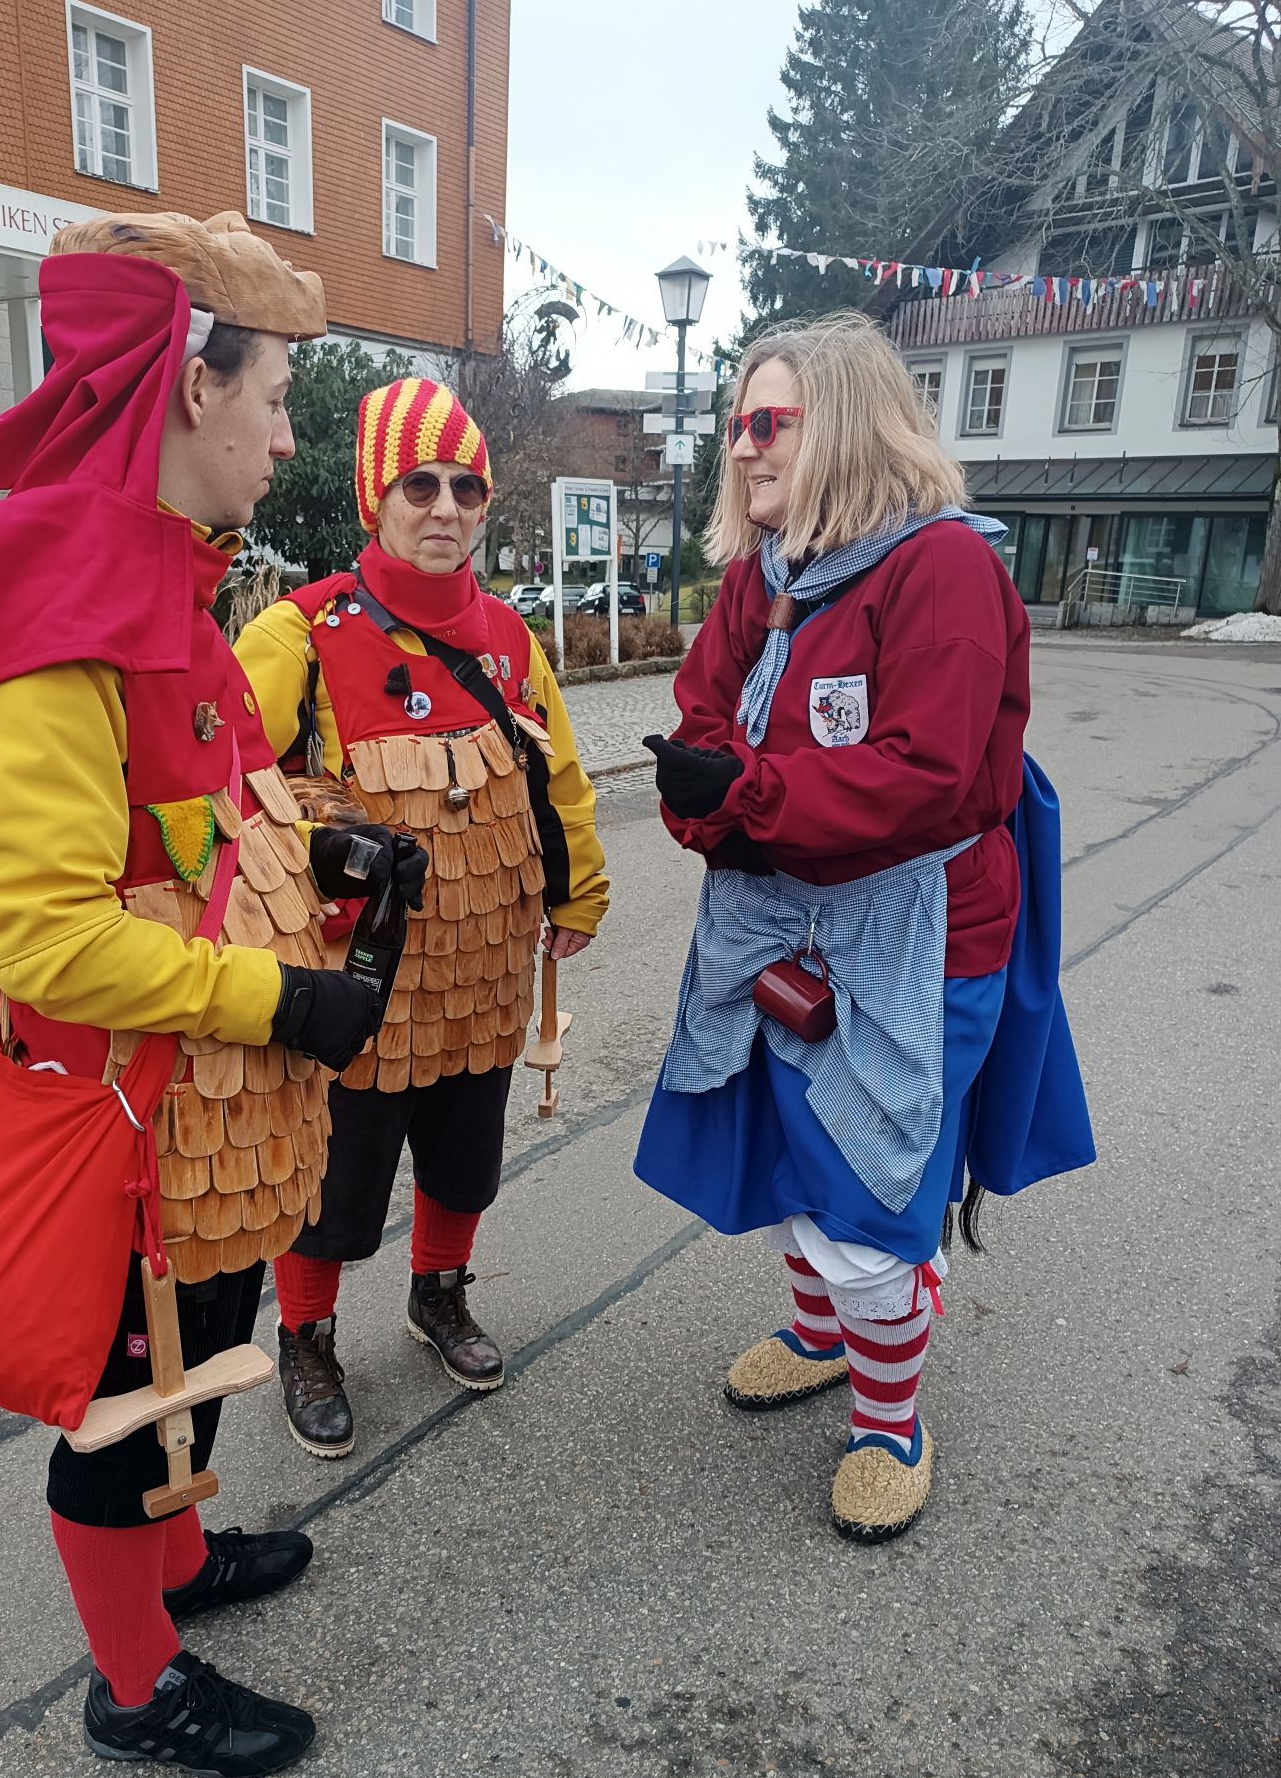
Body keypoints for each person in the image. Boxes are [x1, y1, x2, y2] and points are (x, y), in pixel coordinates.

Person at [0, 210, 404, 1778]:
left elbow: (204, 822)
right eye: (277, 400)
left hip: (201, 1116)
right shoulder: (56, 621)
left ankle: (178, 1561)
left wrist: (324, 844)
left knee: (208, 1336)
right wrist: (281, 1003)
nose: (288, 437)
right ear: (194, 386)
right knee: (123, 1401)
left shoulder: (171, 590)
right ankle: (135, 1683)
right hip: (119, 1123)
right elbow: (47, 940)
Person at [636, 313, 1094, 1542]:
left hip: (915, 935)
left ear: (843, 424)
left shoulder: (941, 568)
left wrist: (746, 795)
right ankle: (820, 1333)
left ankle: (891, 1423)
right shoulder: (765, 571)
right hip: (777, 917)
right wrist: (706, 795)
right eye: (737, 424)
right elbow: (705, 711)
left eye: (768, 422)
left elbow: (927, 775)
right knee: (795, 1152)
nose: (743, 446)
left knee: (872, 1185)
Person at [233, 378, 609, 1458]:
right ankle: (307, 1336)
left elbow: (558, 782)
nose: (445, 507)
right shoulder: (299, 634)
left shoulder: (511, 641)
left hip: (484, 968)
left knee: (463, 1154)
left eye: (465, 487)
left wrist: (578, 890)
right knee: (333, 1177)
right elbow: (228, 790)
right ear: (375, 497)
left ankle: (438, 1292)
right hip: (356, 980)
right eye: (419, 484)